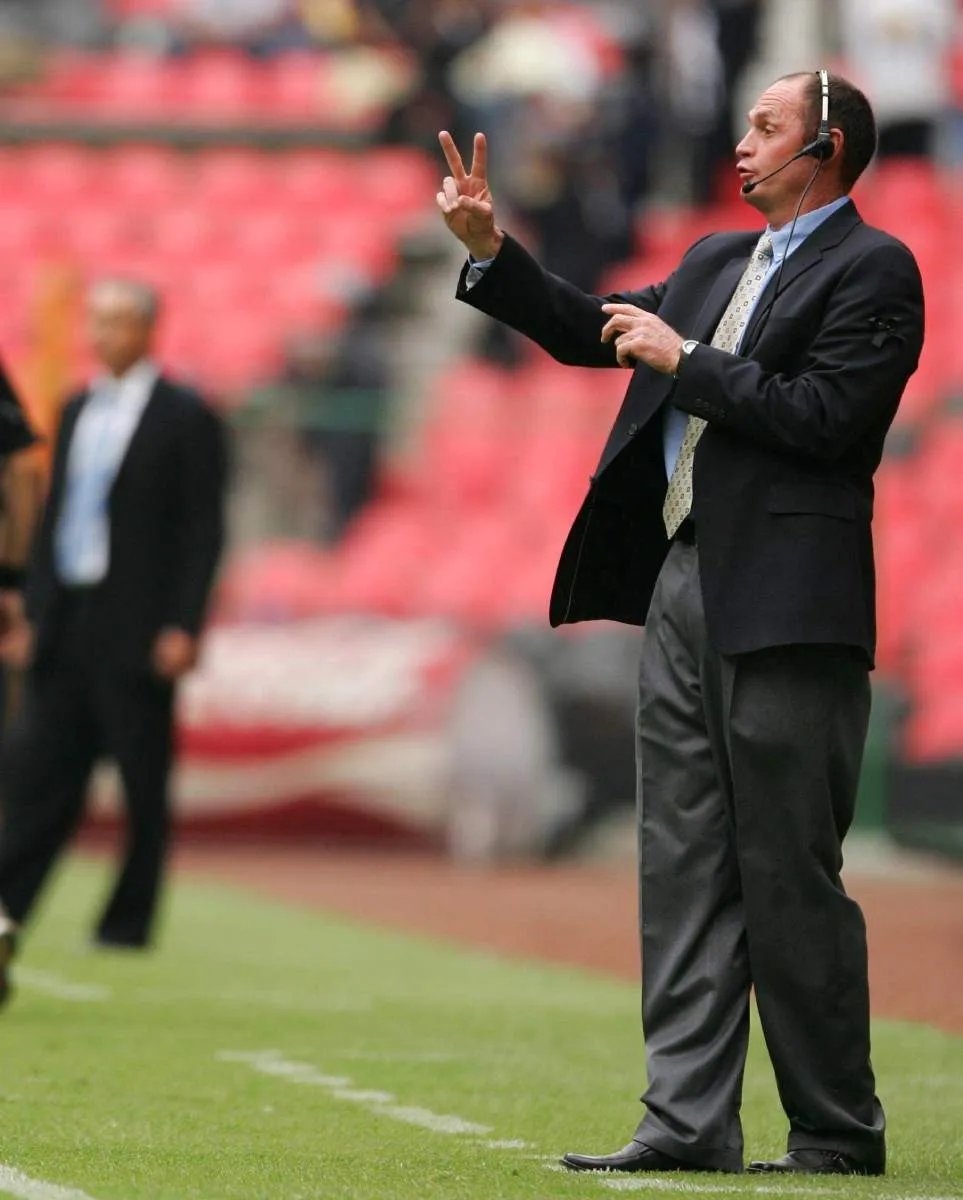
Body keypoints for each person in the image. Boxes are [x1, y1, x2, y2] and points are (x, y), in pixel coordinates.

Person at [435, 68, 924, 1176]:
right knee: (681, 857)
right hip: (683, 583)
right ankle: (687, 1123)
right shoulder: (713, 261)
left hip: (791, 603)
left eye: (767, 128)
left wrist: (690, 362)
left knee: (788, 869)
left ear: (829, 146)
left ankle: (837, 1130)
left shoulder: (877, 268)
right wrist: (490, 250)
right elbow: (586, 330)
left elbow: (830, 420)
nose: (741, 144)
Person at [0, 279, 227, 1006]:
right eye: (95, 323)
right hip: (69, 618)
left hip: (139, 625)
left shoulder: (185, 414)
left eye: (117, 322)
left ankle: (128, 920)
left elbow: (202, 528)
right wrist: (33, 608)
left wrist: (184, 624)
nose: (101, 336)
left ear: (149, 329)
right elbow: (54, 512)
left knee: (141, 779)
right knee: (37, 776)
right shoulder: (74, 409)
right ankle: (9, 911)